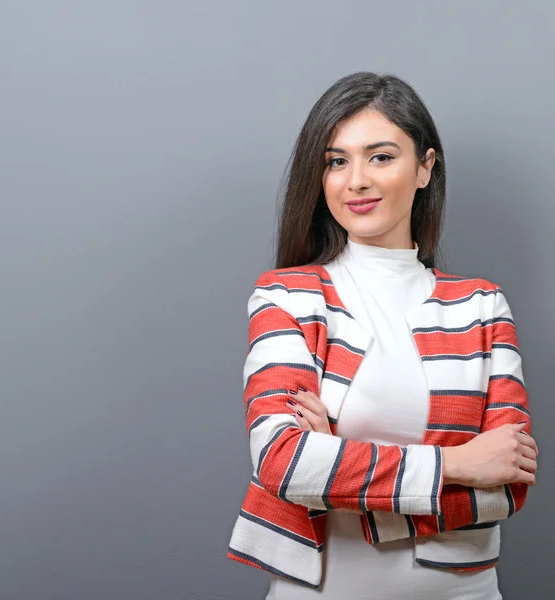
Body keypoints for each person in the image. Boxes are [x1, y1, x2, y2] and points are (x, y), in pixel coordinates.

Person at [227, 72, 538, 600]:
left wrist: (338, 469)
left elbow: (507, 483)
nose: (356, 182)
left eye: (381, 156)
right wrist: (459, 463)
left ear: (425, 167)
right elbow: (284, 462)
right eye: (336, 161)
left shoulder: (482, 306)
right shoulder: (287, 297)